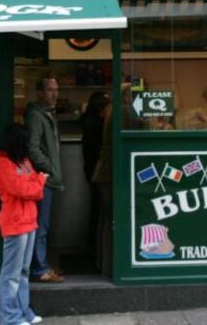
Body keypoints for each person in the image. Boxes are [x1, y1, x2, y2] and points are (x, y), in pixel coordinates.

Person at [0, 124, 47, 325]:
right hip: (15, 223)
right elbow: (25, 189)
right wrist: (39, 181)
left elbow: (29, 187)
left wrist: (34, 183)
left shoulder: (23, 161)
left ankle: (23, 311)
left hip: (29, 221)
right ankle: (10, 317)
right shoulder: (3, 164)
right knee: (11, 274)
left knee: (22, 272)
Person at [25, 74, 66, 283]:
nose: (55, 94)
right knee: (41, 226)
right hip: (44, 180)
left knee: (43, 225)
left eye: (56, 89)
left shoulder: (48, 114)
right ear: (39, 92)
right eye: (50, 90)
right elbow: (32, 147)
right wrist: (49, 168)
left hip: (48, 178)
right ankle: (39, 269)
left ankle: (41, 266)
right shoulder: (36, 116)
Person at [79, 91, 110, 268]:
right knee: (101, 212)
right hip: (100, 173)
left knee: (98, 211)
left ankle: (94, 249)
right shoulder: (98, 126)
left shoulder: (87, 122)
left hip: (92, 171)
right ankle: (97, 251)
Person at [91, 103, 114, 277]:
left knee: (106, 220)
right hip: (109, 174)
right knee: (111, 220)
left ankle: (104, 264)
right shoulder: (123, 111)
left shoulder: (110, 111)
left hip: (103, 173)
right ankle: (108, 265)